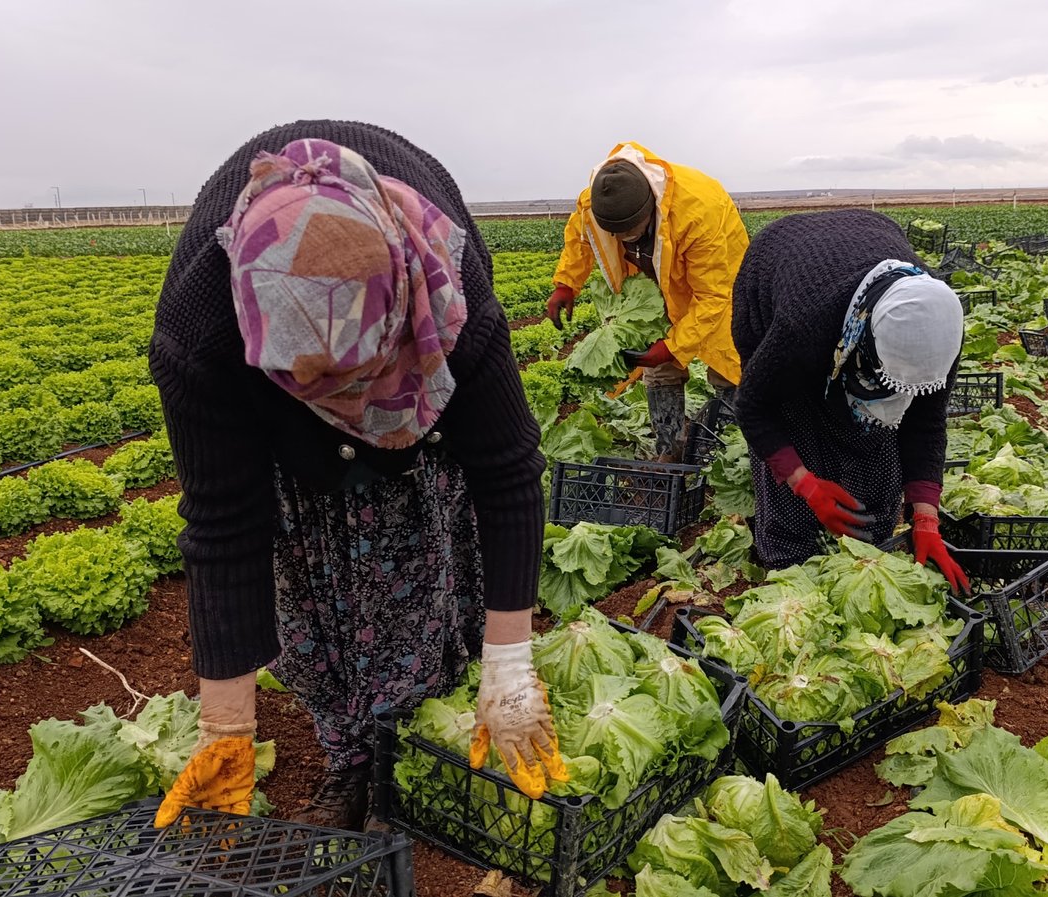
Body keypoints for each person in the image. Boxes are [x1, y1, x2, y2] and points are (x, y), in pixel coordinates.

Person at [149, 124, 566, 832]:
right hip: (294, 457)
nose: (351, 412)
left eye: (359, 381)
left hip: (419, 407)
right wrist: (225, 725)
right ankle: (350, 759)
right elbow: (222, 523)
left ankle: (407, 762)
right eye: (327, 391)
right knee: (312, 610)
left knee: (416, 580)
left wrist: (511, 665)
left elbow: (508, 470)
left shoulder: (448, 280)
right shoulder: (201, 330)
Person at [731, 208, 970, 591]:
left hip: (866, 241)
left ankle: (869, 538)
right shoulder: (801, 325)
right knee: (796, 416)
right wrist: (805, 484)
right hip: (777, 271)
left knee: (877, 439)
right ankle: (787, 558)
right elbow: (754, 407)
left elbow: (925, 421)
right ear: (866, 341)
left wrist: (926, 517)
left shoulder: (937, 325)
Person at [546, 142, 746, 461]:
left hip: (716, 277)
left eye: (629, 231)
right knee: (657, 366)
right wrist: (566, 284)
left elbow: (713, 296)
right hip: (653, 283)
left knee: (728, 361)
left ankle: (734, 451)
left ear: (651, 208)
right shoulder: (597, 201)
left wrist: (673, 347)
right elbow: (580, 238)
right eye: (614, 233)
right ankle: (669, 449)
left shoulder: (697, 212)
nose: (621, 239)